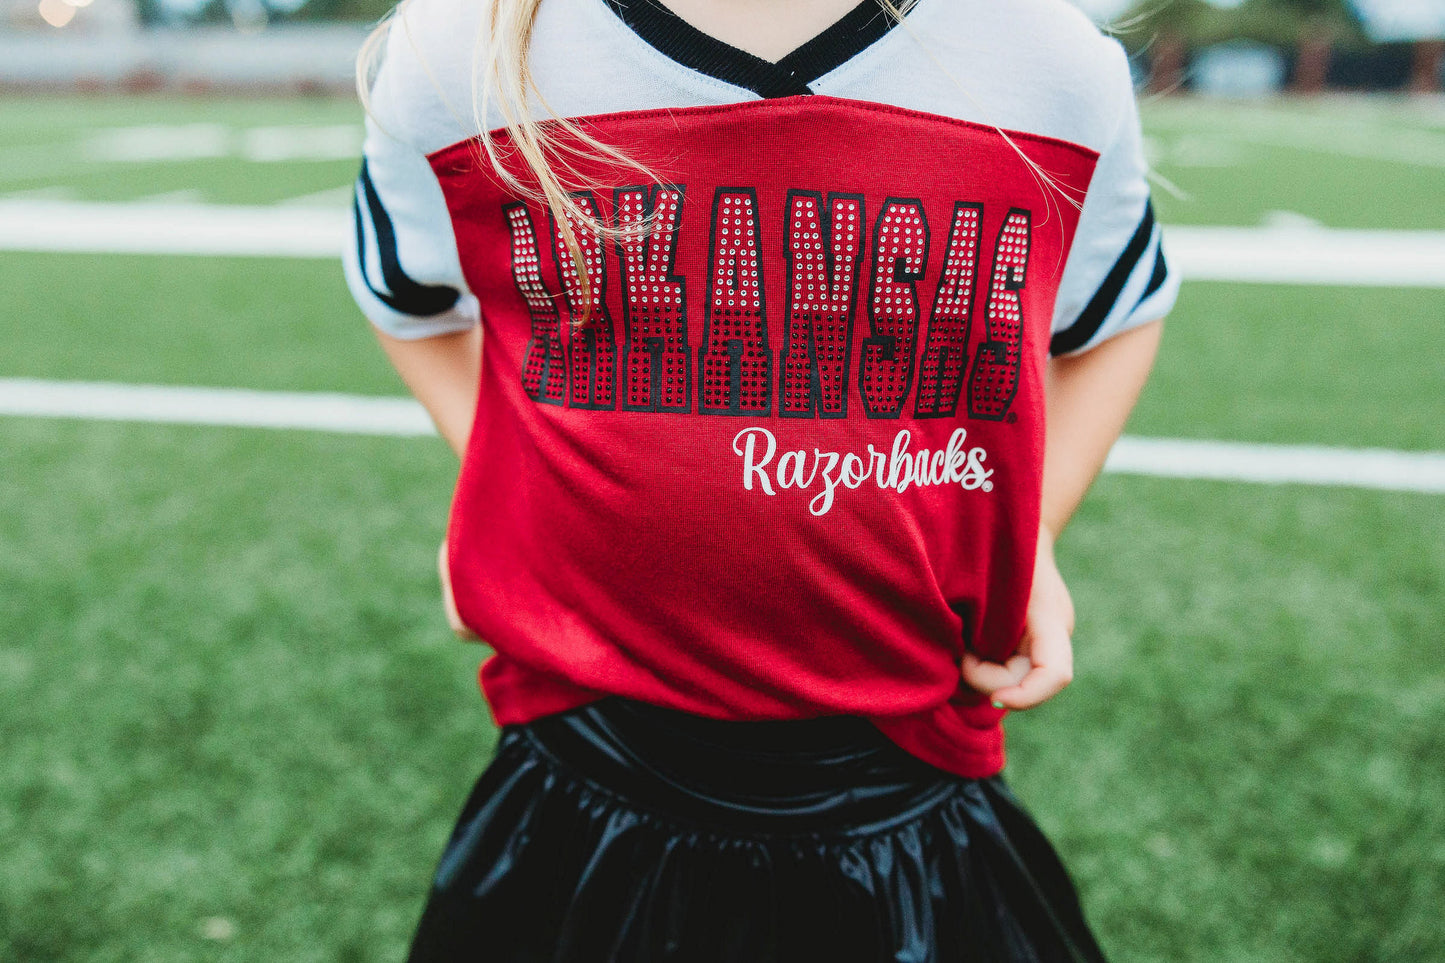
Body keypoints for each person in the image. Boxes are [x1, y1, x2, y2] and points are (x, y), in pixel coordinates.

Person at [342, 0, 1178, 958]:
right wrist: (505, 482)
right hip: (576, 769)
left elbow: (1117, 316)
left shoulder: (1044, 57)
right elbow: (408, 303)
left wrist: (1027, 534)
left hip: (905, 775)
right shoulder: (459, 49)